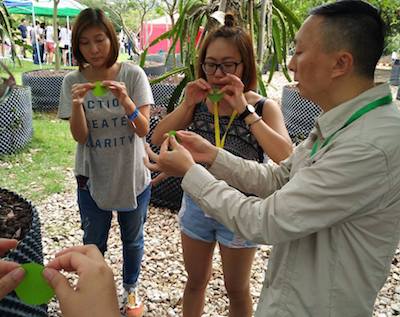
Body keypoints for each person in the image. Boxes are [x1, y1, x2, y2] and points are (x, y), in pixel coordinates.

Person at [146, 1, 400, 316]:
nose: (291, 64)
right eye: (211, 64)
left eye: (300, 52)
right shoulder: (340, 123)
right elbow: (280, 178)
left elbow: (264, 220)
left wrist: (191, 173)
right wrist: (213, 156)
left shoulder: (367, 146)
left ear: (340, 64)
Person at [151, 13, 292, 317]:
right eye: (211, 64)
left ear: (245, 66)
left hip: (240, 211)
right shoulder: (199, 102)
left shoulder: (263, 107)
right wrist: (188, 104)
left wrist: (244, 111)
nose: (218, 73)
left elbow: (286, 157)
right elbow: (158, 136)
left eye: (228, 65)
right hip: (197, 205)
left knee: (237, 289)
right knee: (195, 282)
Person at [58, 8, 153, 317]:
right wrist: (76, 106)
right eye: (85, 42)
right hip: (91, 176)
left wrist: (126, 101)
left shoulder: (133, 75)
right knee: (94, 242)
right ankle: (94, 292)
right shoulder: (73, 81)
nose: (94, 49)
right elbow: (81, 137)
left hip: (132, 175)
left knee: (132, 238)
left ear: (112, 39)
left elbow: (143, 130)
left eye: (100, 40)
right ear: (77, 46)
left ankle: (130, 288)